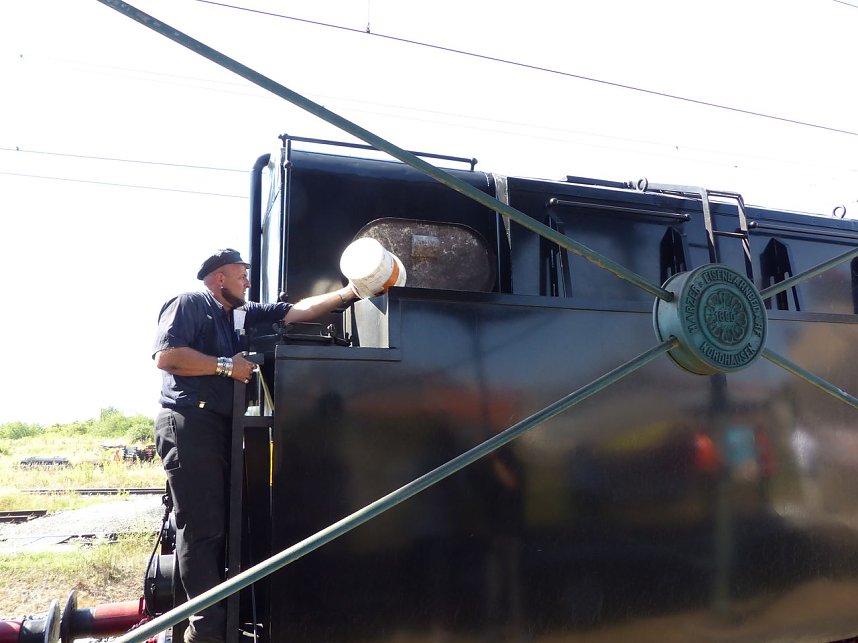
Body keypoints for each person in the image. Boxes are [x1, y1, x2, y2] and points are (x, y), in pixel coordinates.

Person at [152, 248, 357, 643]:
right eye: (240, 274)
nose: (247, 281)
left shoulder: (240, 313)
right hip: (190, 422)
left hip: (220, 427)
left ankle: (222, 619)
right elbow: (168, 357)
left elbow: (297, 311)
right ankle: (204, 631)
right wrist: (226, 365)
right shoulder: (190, 303)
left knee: (224, 528)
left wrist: (350, 292)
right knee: (202, 529)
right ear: (219, 279)